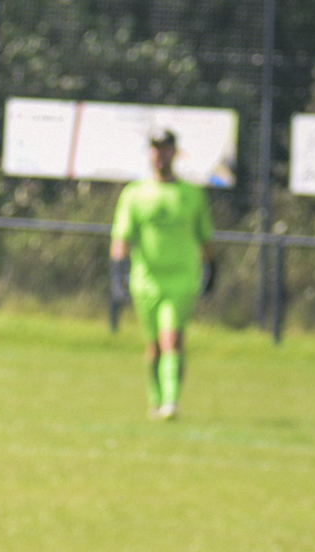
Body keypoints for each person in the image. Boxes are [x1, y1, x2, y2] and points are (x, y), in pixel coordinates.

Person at [109, 127, 214, 420]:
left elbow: (205, 237)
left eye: (166, 148)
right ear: (149, 152)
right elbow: (121, 237)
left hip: (180, 279)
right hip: (145, 281)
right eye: (155, 148)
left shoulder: (191, 194)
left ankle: (171, 402)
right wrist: (118, 272)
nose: (160, 154)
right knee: (153, 345)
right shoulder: (135, 194)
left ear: (174, 153)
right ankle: (155, 401)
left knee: (172, 339)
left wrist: (211, 268)